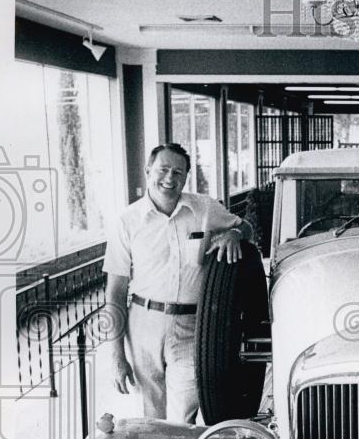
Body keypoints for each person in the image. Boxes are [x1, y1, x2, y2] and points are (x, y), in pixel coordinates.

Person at [102, 142, 253, 422]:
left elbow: (247, 227)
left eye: (178, 172)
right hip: (143, 324)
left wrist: (233, 233)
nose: (170, 178)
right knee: (152, 414)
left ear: (186, 177)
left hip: (191, 326)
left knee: (183, 414)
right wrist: (117, 357)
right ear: (148, 170)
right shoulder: (127, 222)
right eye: (163, 169)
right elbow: (114, 293)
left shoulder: (205, 209)